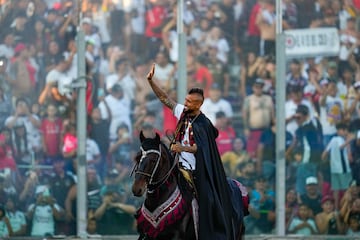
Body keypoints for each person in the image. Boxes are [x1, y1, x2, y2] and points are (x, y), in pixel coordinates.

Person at [146, 63, 237, 239]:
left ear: (198, 104)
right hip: (176, 164)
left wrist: (182, 147)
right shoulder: (183, 113)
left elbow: (200, 148)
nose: (185, 103)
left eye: (189, 102)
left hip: (195, 170)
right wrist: (151, 81)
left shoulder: (204, 124)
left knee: (207, 200)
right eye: (185, 100)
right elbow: (165, 99)